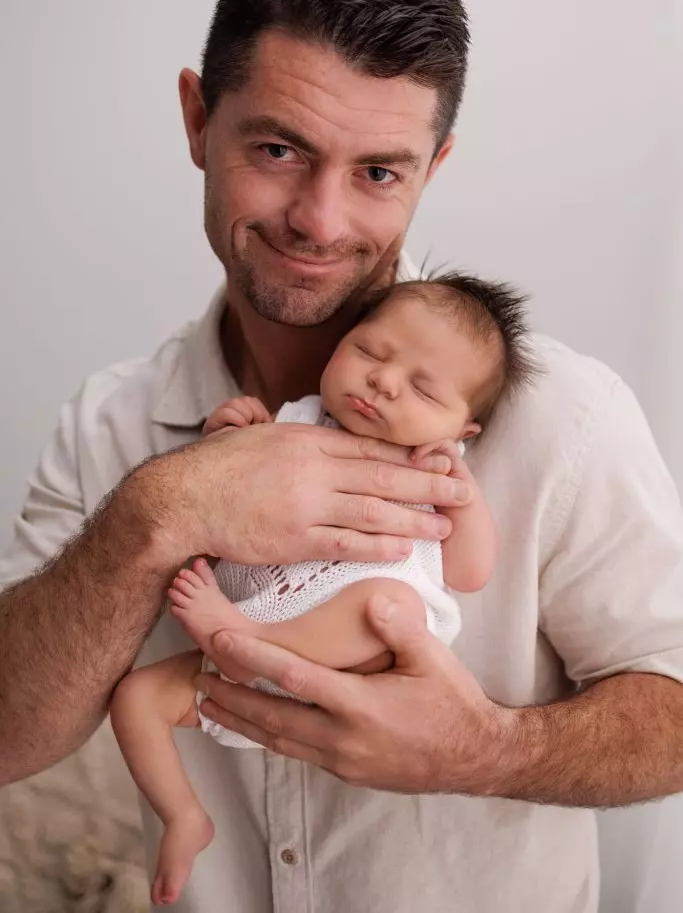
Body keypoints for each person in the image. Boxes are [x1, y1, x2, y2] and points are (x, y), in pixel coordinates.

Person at [1, 0, 683, 913]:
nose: (320, 221)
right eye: (278, 148)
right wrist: (154, 515)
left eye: (377, 172)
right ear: (197, 120)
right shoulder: (111, 421)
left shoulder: (565, 418)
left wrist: (487, 750)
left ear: (431, 167)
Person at [110, 272, 533, 905]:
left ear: (461, 429)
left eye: (422, 388)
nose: (383, 382)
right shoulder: (292, 422)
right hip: (243, 658)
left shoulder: (438, 471)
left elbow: (469, 574)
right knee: (136, 697)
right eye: (370, 351)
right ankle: (184, 816)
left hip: (349, 655)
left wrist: (463, 501)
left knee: (392, 606)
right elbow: (218, 512)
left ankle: (246, 639)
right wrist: (224, 443)